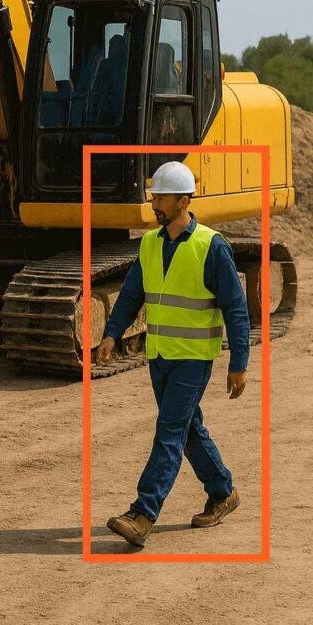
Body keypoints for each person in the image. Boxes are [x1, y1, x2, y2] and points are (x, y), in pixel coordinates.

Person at [97, 160, 249, 548]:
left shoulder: (211, 246)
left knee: (168, 432)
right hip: (160, 355)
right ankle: (222, 492)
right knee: (186, 429)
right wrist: (112, 334)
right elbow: (132, 294)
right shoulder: (149, 243)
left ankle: (143, 513)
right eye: (153, 198)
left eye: (161, 198)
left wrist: (239, 363)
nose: (155, 205)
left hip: (194, 358)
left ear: (184, 200)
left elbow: (235, 307)